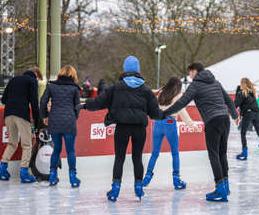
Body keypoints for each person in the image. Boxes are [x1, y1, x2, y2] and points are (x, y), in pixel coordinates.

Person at [78, 56, 163, 202]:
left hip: (122, 127)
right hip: (139, 129)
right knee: (137, 158)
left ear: (125, 69)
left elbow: (99, 102)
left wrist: (84, 105)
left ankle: (116, 187)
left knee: (120, 158)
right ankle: (138, 186)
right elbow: (155, 113)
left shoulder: (115, 88)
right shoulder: (146, 90)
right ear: (138, 70)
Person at [161, 61, 239, 202]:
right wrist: (234, 116)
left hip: (212, 121)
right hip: (224, 119)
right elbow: (229, 100)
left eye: (190, 73)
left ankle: (220, 188)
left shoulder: (195, 85)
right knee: (222, 153)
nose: (189, 76)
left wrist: (165, 113)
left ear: (195, 71)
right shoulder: (215, 82)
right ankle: (225, 186)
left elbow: (181, 102)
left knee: (214, 154)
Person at [143, 77, 199, 189]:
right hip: (170, 123)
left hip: (157, 124)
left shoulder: (161, 94)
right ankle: (176, 180)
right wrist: (192, 125)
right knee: (175, 153)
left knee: (155, 153)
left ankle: (147, 178)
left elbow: (152, 109)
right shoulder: (178, 96)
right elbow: (182, 112)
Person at [0, 67, 43, 183]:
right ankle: (24, 173)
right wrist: (37, 122)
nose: (37, 81)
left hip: (8, 114)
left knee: (12, 143)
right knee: (26, 145)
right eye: (38, 79)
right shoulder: (32, 81)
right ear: (36, 75)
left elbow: (3, 100)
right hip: (21, 115)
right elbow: (34, 103)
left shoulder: (13, 80)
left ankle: (2, 170)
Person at [40, 65, 81, 187]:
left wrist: (45, 116)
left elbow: (43, 102)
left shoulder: (51, 86)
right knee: (70, 150)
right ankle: (73, 178)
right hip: (69, 122)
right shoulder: (74, 89)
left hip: (55, 121)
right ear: (73, 76)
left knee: (56, 149)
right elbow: (77, 107)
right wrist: (74, 117)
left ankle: (53, 176)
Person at [234, 78, 259, 160]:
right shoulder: (252, 93)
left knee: (243, 133)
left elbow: (235, 105)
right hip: (257, 114)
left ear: (243, 84)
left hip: (248, 114)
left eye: (241, 83)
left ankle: (244, 152)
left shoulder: (241, 93)